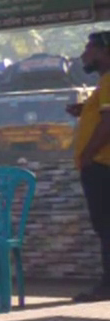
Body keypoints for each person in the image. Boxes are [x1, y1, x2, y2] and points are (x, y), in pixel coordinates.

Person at [67, 30, 110, 301]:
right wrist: (86, 110)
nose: (84, 55)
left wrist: (87, 155)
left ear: (106, 52)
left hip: (102, 166)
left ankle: (108, 286)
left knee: (106, 226)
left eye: (90, 49)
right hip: (101, 165)